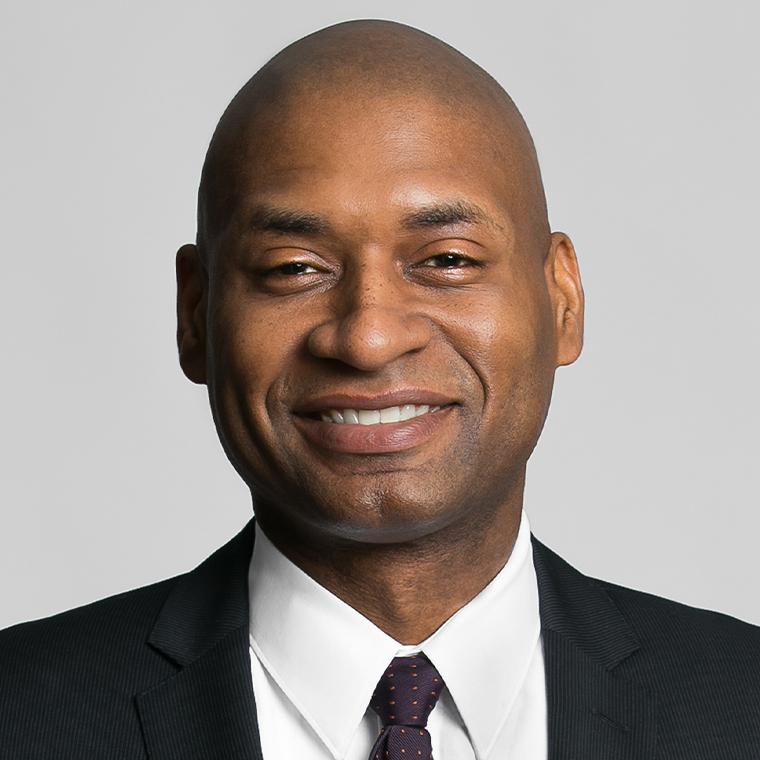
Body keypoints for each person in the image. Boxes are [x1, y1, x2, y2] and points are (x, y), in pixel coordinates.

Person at [1, 18, 758, 760]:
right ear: (195, 315)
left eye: (448, 260)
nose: (366, 338)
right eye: (293, 268)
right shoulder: (23, 715)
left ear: (563, 299)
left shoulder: (739, 705)